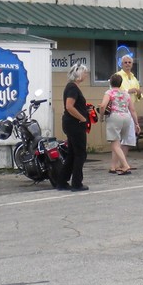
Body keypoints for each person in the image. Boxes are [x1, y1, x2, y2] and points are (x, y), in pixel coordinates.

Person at [59, 63, 91, 191]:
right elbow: (69, 106)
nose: (86, 75)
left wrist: (85, 110)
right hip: (75, 124)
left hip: (71, 123)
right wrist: (82, 118)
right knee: (80, 153)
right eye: (85, 73)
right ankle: (77, 183)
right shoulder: (72, 88)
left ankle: (62, 181)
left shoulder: (72, 87)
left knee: (72, 153)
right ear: (79, 74)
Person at [99, 73, 139, 174]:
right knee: (118, 143)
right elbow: (132, 110)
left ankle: (125, 165)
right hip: (126, 117)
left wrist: (101, 117)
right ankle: (113, 166)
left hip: (115, 117)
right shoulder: (126, 93)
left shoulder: (109, 92)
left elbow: (103, 106)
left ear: (111, 83)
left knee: (114, 144)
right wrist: (136, 123)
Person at [116, 54, 142, 157]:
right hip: (120, 109)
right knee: (119, 139)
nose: (127, 64)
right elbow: (115, 92)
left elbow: (138, 97)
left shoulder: (134, 78)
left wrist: (138, 93)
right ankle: (118, 162)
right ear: (121, 64)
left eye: (129, 62)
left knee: (128, 139)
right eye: (125, 62)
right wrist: (129, 90)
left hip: (131, 110)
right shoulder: (117, 76)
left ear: (132, 64)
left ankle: (123, 162)